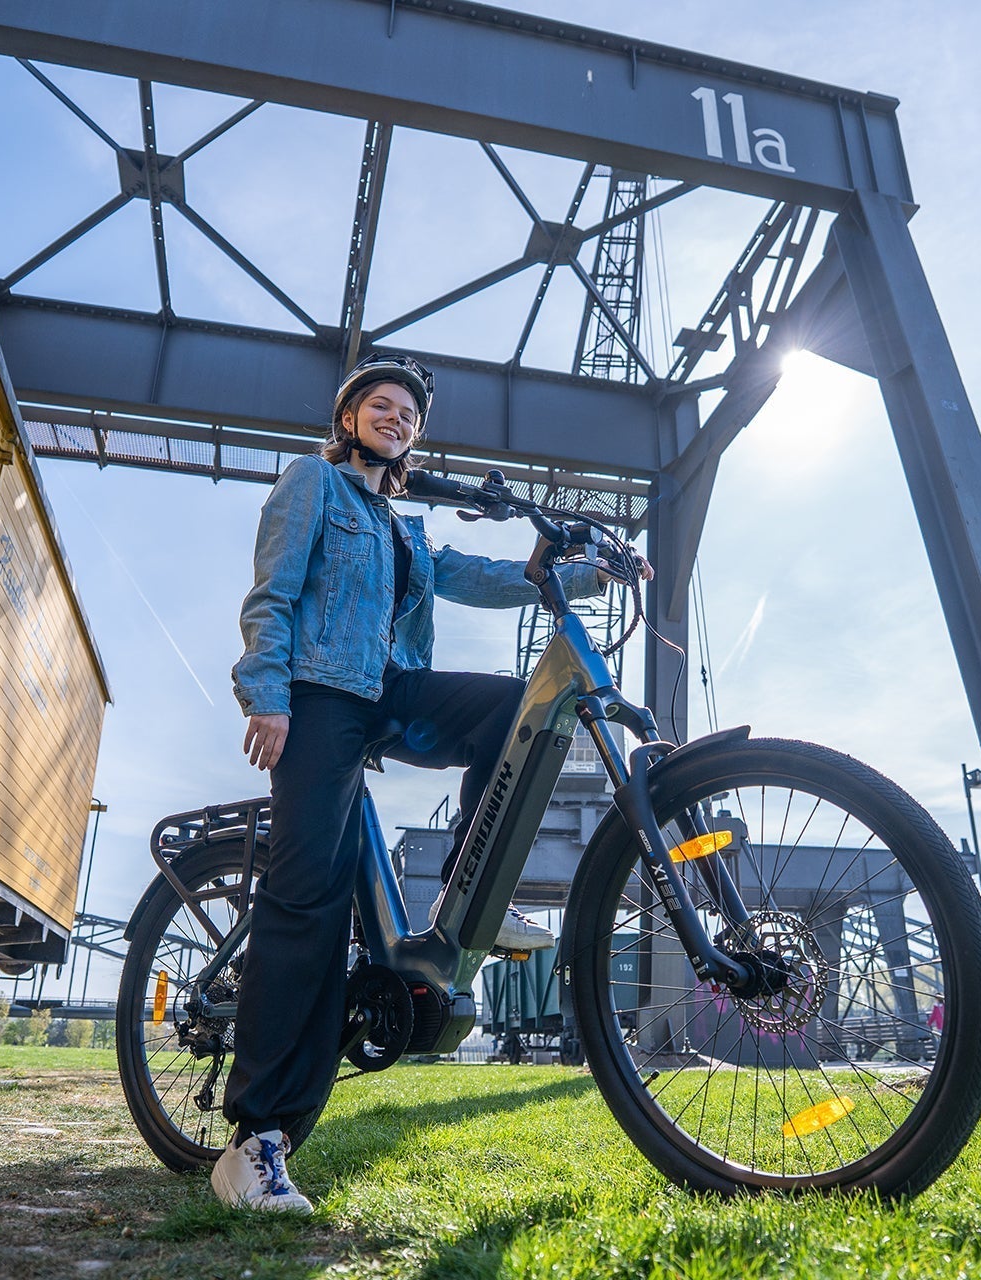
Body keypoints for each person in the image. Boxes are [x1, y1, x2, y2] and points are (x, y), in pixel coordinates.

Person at [213, 353, 648, 1213]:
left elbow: (485, 579)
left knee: (508, 710)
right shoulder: (314, 485)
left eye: (409, 413)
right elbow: (273, 592)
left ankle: (468, 895)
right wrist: (266, 695)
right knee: (307, 894)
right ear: (348, 421)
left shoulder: (405, 530)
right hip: (323, 690)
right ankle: (255, 1140)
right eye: (381, 405)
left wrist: (590, 574)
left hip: (390, 688)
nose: (398, 418)